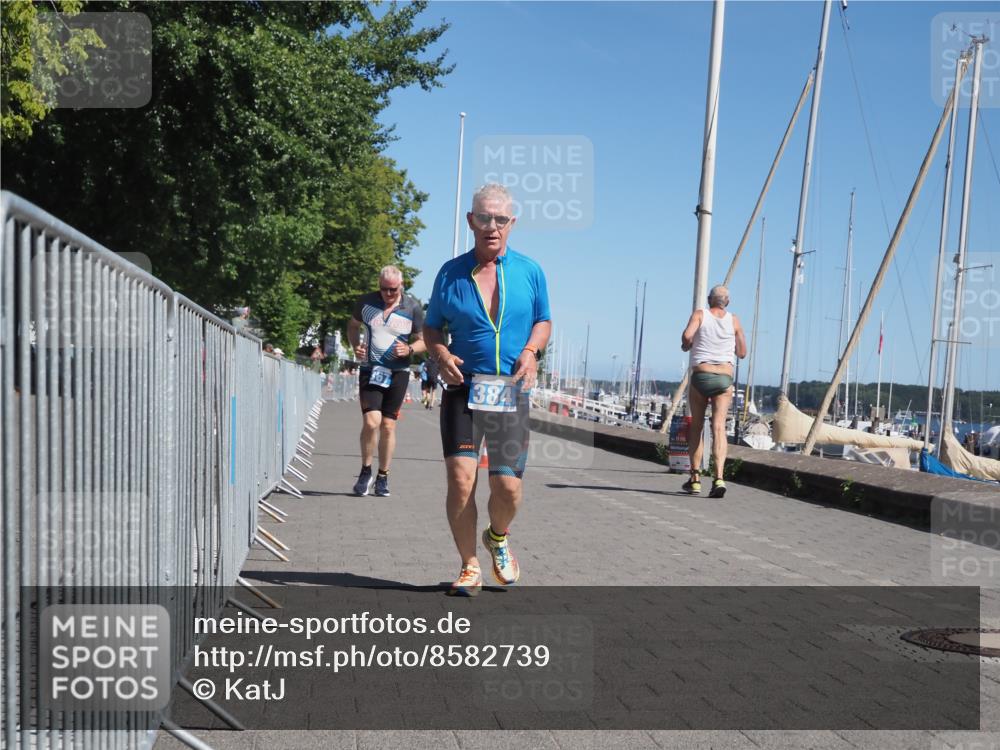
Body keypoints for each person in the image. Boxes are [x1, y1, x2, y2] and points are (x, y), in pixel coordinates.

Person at [424, 184, 551, 596]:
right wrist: (441, 354)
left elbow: (544, 321)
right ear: (470, 221)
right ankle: (468, 566)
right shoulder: (450, 273)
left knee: (508, 486)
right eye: (484, 218)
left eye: (500, 219)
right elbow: (431, 327)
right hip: (463, 389)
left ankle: (497, 538)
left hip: (510, 390)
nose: (491, 226)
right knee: (461, 480)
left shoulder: (530, 271)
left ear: (511, 224)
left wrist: (531, 352)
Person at [347, 265, 426, 497]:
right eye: (384, 289)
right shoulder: (366, 303)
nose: (388, 294)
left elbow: (425, 341)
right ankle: (365, 471)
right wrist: (355, 346)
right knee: (372, 422)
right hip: (371, 369)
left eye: (393, 290)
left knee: (388, 426)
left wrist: (410, 349)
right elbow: (352, 326)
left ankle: (383, 476)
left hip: (398, 372)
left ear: (401, 286)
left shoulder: (412, 307)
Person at [680, 285, 747, 498]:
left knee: (697, 427)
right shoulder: (734, 320)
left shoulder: (700, 315)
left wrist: (687, 345)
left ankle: (695, 478)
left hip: (701, 374)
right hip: (724, 378)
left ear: (710, 300)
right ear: (726, 301)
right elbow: (743, 352)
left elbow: (686, 336)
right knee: (718, 427)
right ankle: (719, 478)